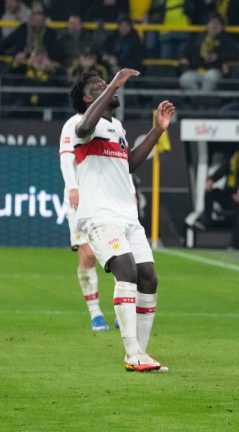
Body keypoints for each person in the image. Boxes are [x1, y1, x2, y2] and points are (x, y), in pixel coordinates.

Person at [68, 69, 175, 372]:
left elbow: (128, 164)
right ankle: (132, 353)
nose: (108, 88)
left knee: (149, 277)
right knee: (125, 270)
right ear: (89, 98)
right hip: (101, 216)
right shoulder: (84, 124)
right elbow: (84, 125)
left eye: (108, 84)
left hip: (127, 216)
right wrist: (113, 83)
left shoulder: (117, 129)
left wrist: (157, 130)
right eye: (98, 87)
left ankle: (142, 352)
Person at [60, 100, 108, 331]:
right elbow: (66, 158)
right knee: (88, 255)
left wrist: (128, 191)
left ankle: (124, 308)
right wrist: (73, 187)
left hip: (107, 198)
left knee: (117, 254)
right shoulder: (74, 124)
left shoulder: (111, 124)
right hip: (80, 198)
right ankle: (95, 312)